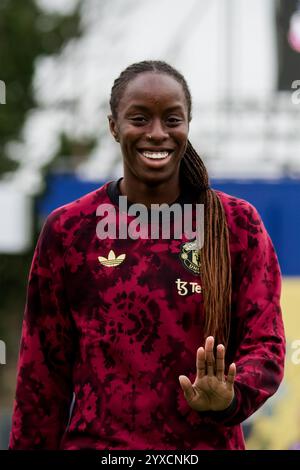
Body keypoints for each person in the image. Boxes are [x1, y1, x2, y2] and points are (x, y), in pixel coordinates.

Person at [9, 60, 285, 450]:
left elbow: (267, 345)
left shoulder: (236, 226)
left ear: (188, 125)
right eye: (140, 118)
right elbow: (41, 378)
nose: (157, 134)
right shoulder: (69, 230)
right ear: (113, 126)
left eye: (172, 120)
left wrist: (231, 396)